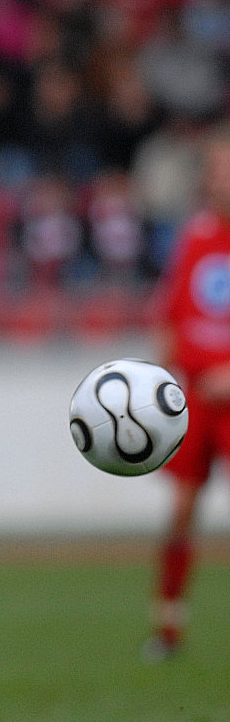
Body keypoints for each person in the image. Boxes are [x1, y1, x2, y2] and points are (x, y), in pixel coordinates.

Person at [143, 121, 230, 661]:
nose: (220, 179)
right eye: (216, 170)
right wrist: (162, 383)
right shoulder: (195, 237)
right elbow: (172, 314)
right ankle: (168, 623)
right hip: (196, 396)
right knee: (181, 511)